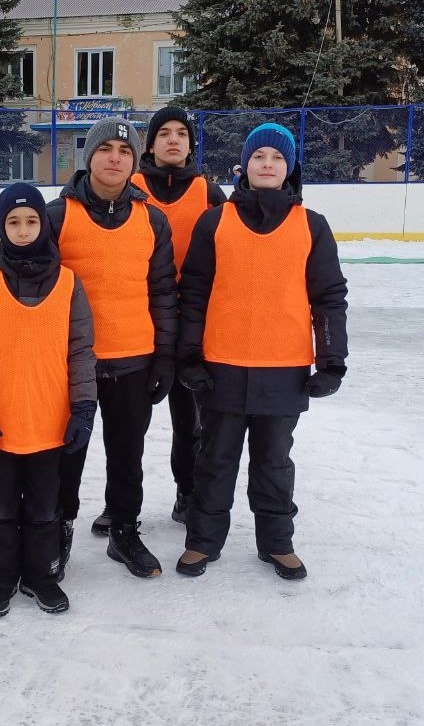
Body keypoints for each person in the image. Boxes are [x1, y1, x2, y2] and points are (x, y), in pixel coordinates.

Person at [175, 123, 348, 580]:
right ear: (244, 167)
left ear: (289, 167)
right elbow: (192, 293)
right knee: (215, 460)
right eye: (258, 157)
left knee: (274, 462)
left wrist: (331, 361)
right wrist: (189, 357)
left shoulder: (312, 226)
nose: (267, 164)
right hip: (222, 367)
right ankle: (202, 542)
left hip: (284, 371)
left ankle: (277, 543)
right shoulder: (215, 222)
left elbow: (329, 297)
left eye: (276, 157)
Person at [0, 182, 96, 618]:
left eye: (32, 220)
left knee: (45, 508)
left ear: (43, 224)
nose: (23, 228)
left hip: (51, 424)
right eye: (13, 221)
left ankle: (41, 576)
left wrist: (84, 408)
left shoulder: (70, 283)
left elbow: (81, 351)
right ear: (1, 227)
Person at [46, 116, 178, 579]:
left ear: (134, 161)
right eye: (106, 149)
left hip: (134, 358)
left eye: (124, 151)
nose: (115, 158)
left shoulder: (152, 219)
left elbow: (163, 291)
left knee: (127, 453)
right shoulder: (57, 215)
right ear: (90, 157)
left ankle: (124, 530)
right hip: (72, 362)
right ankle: (57, 530)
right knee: (67, 452)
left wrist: (164, 355)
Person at [129, 106, 227, 525]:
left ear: (190, 144)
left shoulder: (208, 192)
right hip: (137, 317)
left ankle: (188, 492)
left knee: (190, 421)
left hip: (191, 322)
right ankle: (121, 505)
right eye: (163, 132)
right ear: (150, 143)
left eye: (181, 133)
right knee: (127, 426)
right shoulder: (129, 186)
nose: (173, 139)